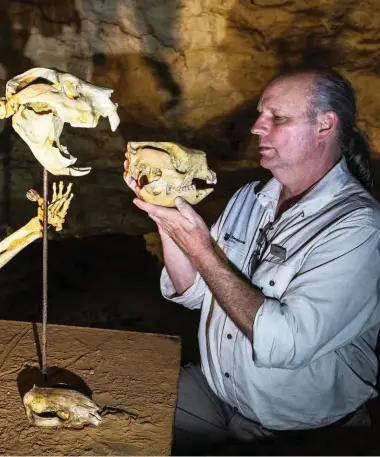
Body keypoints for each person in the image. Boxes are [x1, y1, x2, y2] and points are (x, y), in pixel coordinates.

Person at [124, 68, 380, 455]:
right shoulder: (250, 199)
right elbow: (194, 292)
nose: (257, 128)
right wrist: (165, 216)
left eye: (278, 118)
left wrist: (202, 250)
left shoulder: (358, 227)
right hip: (220, 393)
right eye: (261, 115)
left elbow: (284, 343)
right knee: (118, 417)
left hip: (304, 429)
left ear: (325, 125)